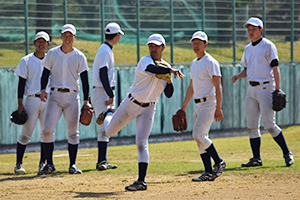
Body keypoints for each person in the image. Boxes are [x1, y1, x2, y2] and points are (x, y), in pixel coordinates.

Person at [98, 33, 184, 191]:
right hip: (131, 104)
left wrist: (169, 79)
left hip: (149, 108)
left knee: (142, 143)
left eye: (156, 46)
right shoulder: (145, 60)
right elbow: (152, 69)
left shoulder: (165, 67)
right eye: (151, 45)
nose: (153, 48)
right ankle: (109, 113)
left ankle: (141, 181)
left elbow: (169, 93)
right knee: (108, 132)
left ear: (163, 48)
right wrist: (169, 70)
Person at [231, 17, 294, 167]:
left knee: (269, 125)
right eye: (249, 29)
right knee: (252, 125)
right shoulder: (247, 48)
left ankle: (287, 153)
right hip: (251, 89)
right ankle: (256, 158)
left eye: (253, 29)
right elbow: (247, 70)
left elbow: (275, 67)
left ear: (261, 30)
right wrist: (238, 76)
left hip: (266, 87)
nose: (250, 32)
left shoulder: (268, 45)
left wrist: (277, 88)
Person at [38, 24, 90, 175]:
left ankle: (72, 165)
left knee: (73, 132)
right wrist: (43, 90)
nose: (67, 38)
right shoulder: (52, 54)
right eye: (65, 35)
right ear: (61, 37)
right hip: (54, 95)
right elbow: (45, 74)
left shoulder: (80, 56)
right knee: (47, 130)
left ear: (74, 37)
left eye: (70, 35)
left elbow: (85, 80)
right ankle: (49, 165)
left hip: (73, 96)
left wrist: (86, 101)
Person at [179, 31, 226, 181]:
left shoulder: (211, 62)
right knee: (201, 138)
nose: (196, 45)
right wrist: (183, 108)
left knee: (198, 135)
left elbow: (218, 86)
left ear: (205, 45)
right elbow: (191, 87)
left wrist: (218, 107)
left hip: (209, 102)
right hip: (198, 103)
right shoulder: (194, 63)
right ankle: (208, 172)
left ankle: (218, 162)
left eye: (199, 43)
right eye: (194, 42)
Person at [13, 31, 50, 174]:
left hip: (47, 100)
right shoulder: (26, 60)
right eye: (38, 41)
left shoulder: (50, 60)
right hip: (31, 99)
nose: (41, 43)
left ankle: (42, 163)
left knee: (46, 133)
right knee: (26, 133)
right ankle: (18, 164)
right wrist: (20, 103)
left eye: (44, 41)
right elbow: (21, 83)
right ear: (34, 43)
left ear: (48, 44)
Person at [90, 22, 123, 171]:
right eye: (119, 35)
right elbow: (103, 73)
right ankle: (101, 161)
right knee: (107, 127)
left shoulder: (106, 49)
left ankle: (102, 161)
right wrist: (110, 94)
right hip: (102, 91)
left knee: (104, 129)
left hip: (102, 91)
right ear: (116, 36)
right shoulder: (105, 51)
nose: (119, 38)